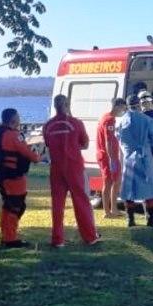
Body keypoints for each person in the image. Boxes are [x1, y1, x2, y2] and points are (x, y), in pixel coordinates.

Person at [43, 94, 101, 247]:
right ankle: (89, 236)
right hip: (74, 165)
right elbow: (85, 144)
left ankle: (57, 239)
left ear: (55, 106)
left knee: (57, 204)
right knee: (81, 201)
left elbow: (48, 144)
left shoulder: (48, 125)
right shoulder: (76, 123)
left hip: (56, 167)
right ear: (67, 105)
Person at [0, 108, 41, 248]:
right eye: (18, 117)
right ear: (13, 119)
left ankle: (6, 235)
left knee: (7, 206)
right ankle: (11, 238)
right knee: (16, 206)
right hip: (14, 177)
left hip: (2, 175)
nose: (20, 119)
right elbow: (28, 153)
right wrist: (37, 157)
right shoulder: (14, 135)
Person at [118, 94, 153, 228]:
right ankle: (152, 218)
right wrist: (146, 144)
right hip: (144, 156)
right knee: (148, 188)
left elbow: (119, 139)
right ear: (138, 104)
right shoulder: (147, 120)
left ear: (127, 105)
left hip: (129, 158)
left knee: (129, 189)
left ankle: (130, 219)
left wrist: (128, 149)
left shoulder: (122, 121)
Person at [96, 98, 127, 219]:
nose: (124, 110)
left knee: (117, 180)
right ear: (117, 106)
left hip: (111, 155)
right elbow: (108, 140)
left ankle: (114, 208)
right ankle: (107, 211)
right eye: (123, 107)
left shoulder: (107, 117)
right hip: (107, 155)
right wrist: (111, 159)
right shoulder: (109, 120)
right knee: (108, 182)